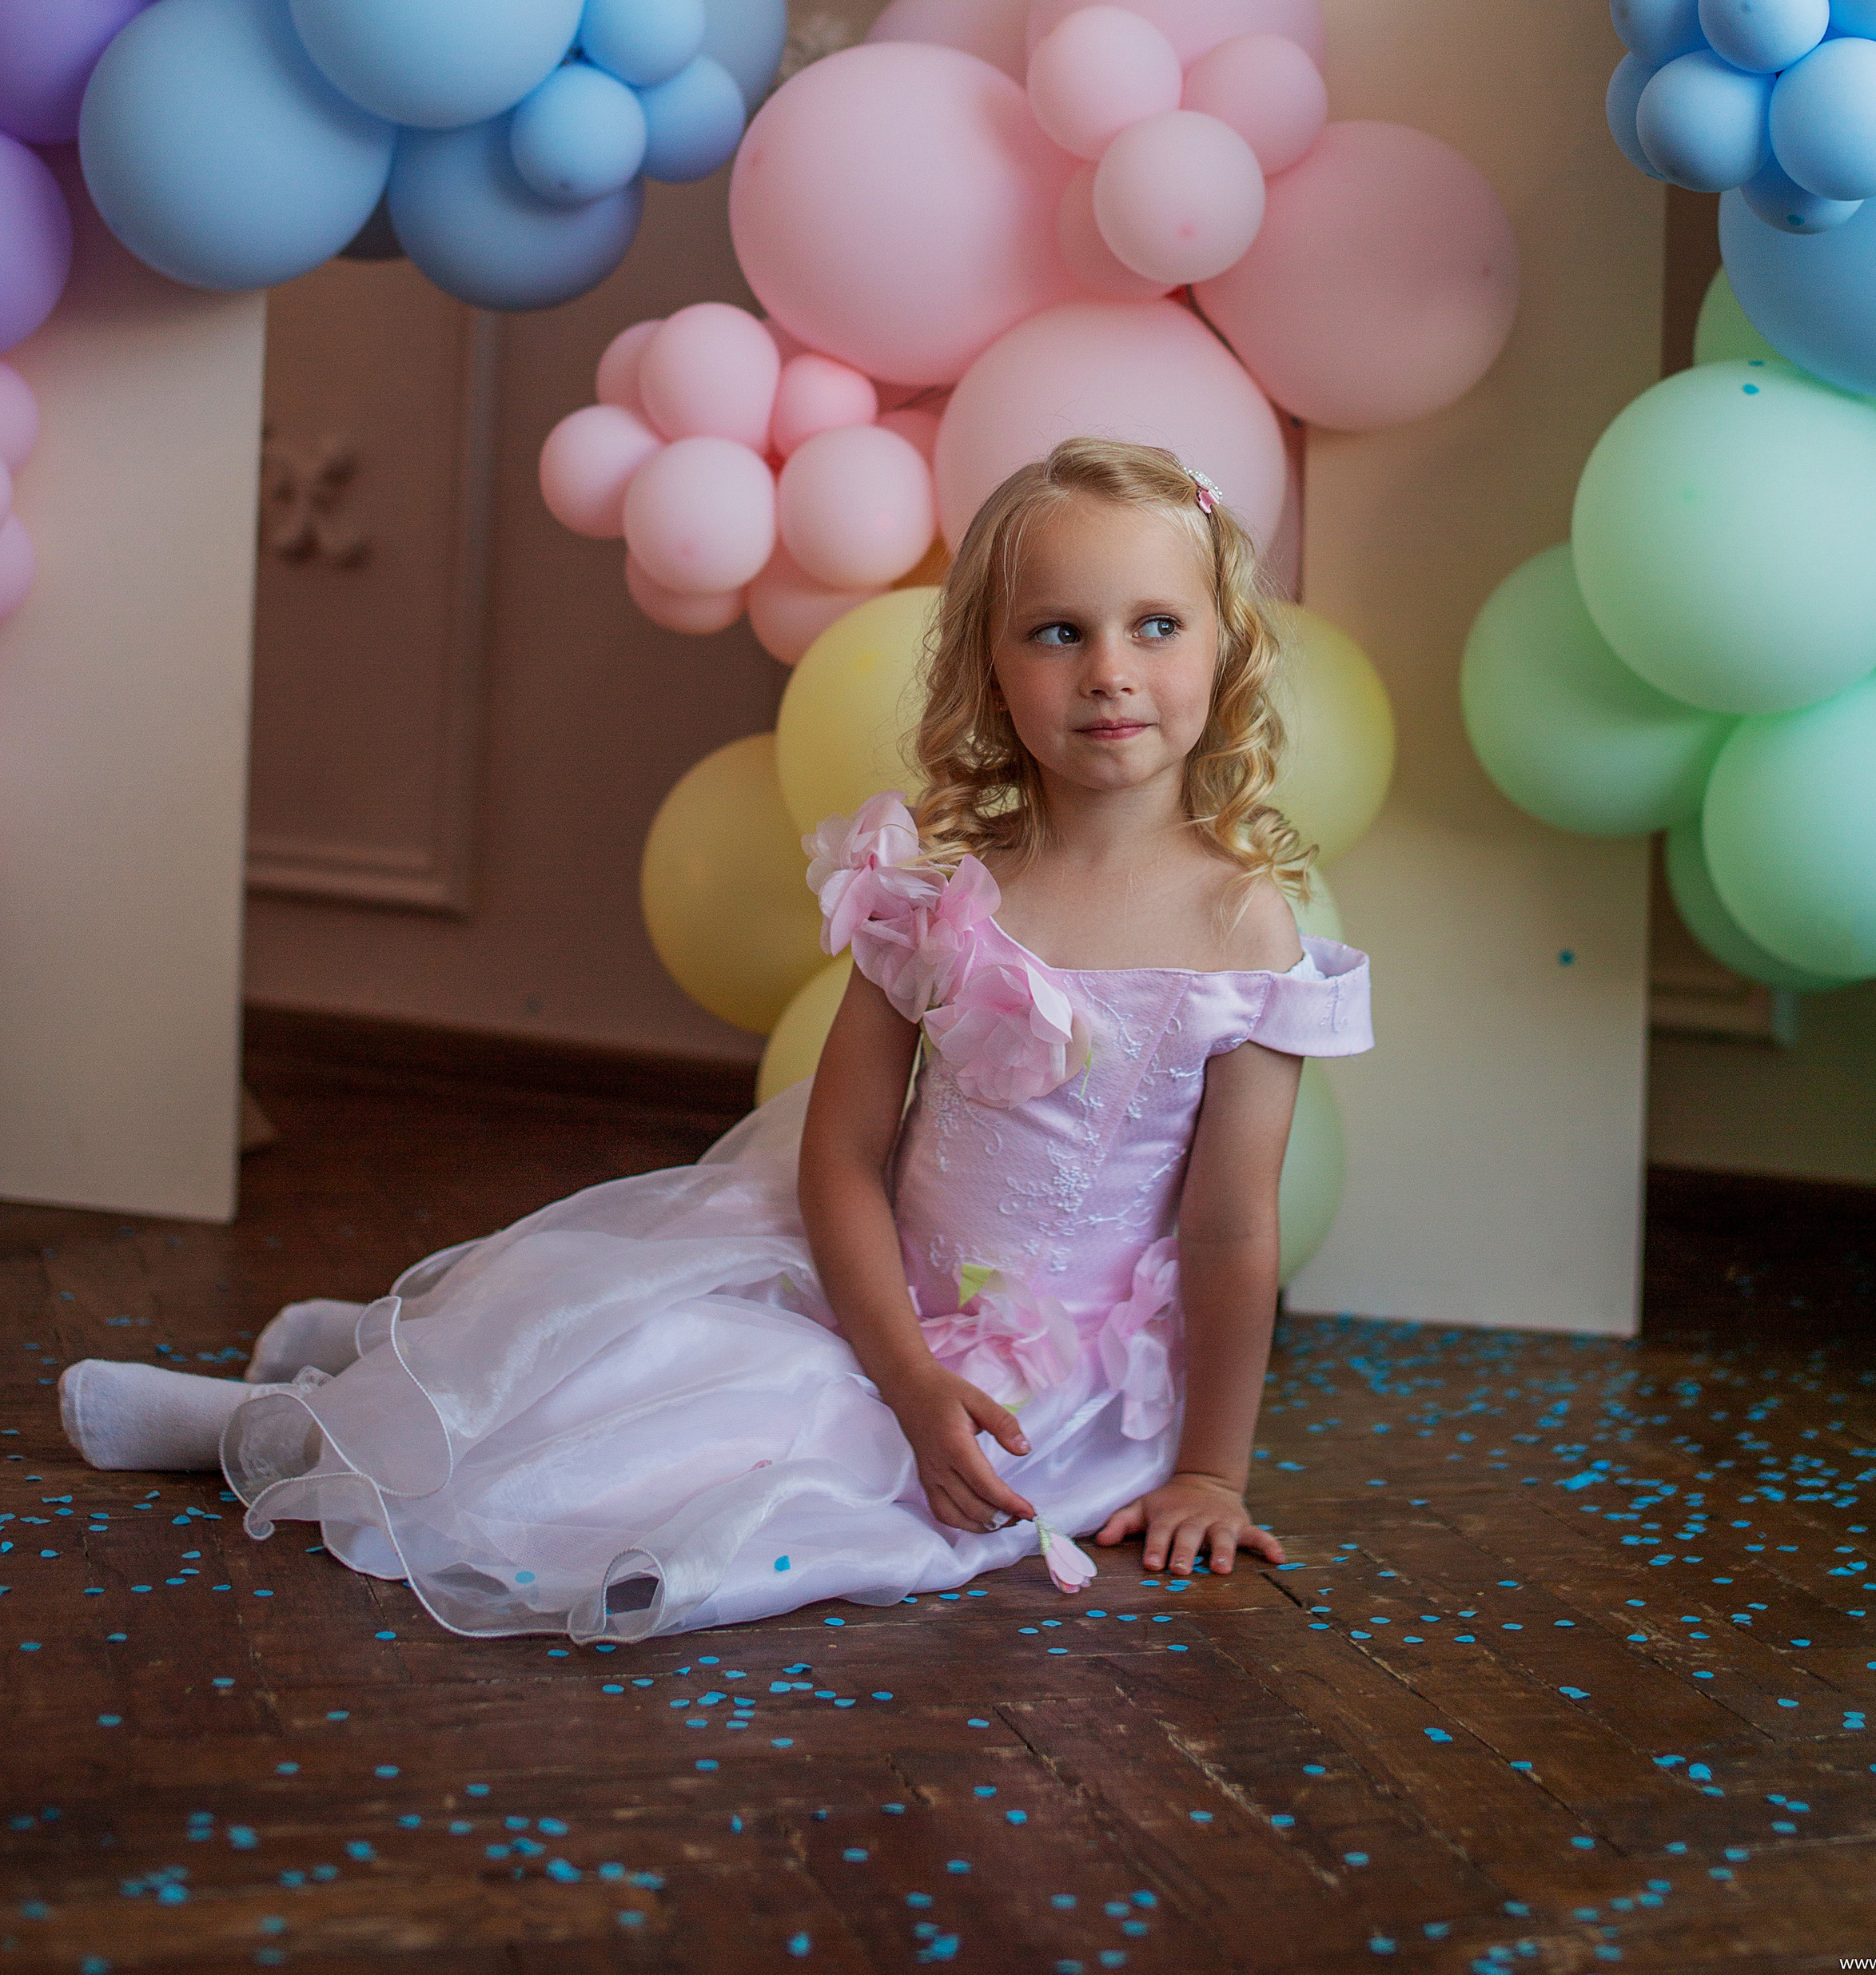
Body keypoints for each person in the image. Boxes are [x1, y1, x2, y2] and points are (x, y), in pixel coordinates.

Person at [60, 436, 1372, 1639]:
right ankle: (282, 1426)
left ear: (1224, 646)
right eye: (1058, 631)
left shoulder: (1243, 927)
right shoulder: (934, 891)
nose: (1111, 672)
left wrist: (1210, 1467)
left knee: (756, 1450)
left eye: (1156, 625)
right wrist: (908, 1373)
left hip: (1065, 1382)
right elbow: (844, 1159)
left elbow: (1228, 1228)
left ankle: (372, 1374)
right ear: (990, 663)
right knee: (642, 1344)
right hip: (866, 1288)